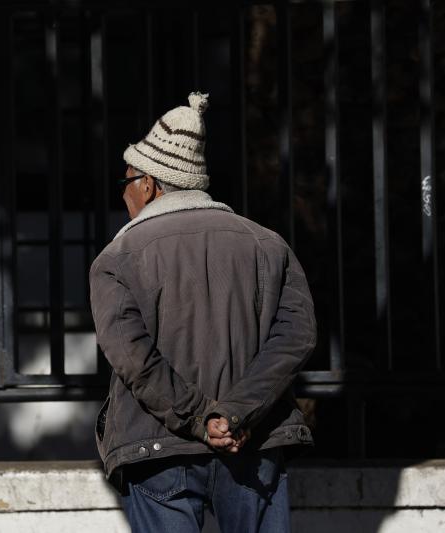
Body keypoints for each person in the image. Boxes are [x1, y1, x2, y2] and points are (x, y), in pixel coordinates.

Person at [89, 92, 317, 532]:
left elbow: (133, 358)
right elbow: (297, 336)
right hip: (253, 443)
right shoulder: (269, 245)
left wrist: (199, 418)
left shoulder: (116, 258)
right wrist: (233, 415)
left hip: (158, 449)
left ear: (150, 184)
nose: (125, 196)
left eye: (126, 183)